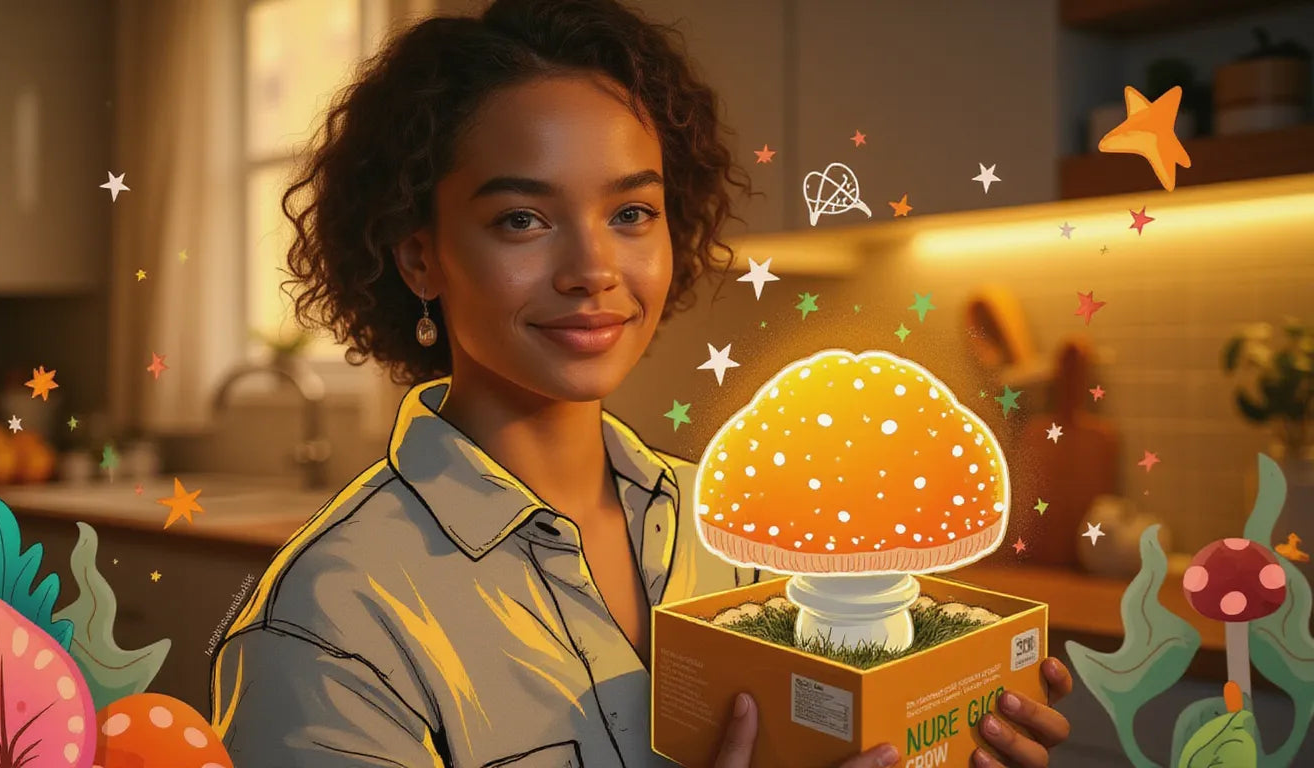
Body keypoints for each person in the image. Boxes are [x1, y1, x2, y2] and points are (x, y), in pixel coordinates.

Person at [209, 1, 1073, 766]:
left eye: (631, 213)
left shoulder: (743, 535)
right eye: (522, 219)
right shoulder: (326, 627)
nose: (593, 268)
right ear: (420, 255)